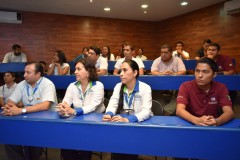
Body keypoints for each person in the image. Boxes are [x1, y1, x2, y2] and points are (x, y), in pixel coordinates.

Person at [1, 62, 57, 160]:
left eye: (28, 72)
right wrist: (9, 108)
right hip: (26, 119)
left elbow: (45, 106)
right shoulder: (22, 84)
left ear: (38, 74)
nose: (24, 75)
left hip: (44, 122)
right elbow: (11, 101)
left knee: (33, 141)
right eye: (24, 72)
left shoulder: (48, 84)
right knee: (9, 136)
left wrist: (21, 110)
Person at [103, 59, 152, 160]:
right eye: (120, 71)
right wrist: (109, 113)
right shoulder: (118, 86)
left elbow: (146, 111)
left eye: (125, 70)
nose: (121, 74)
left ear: (135, 73)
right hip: (121, 125)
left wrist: (129, 119)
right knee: (117, 149)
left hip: (138, 126)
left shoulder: (145, 88)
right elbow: (113, 103)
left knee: (129, 150)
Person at [57, 58, 105, 160]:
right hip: (76, 120)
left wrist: (74, 111)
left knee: (85, 141)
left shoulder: (98, 86)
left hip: (93, 122)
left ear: (88, 71)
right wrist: (62, 107)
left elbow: (93, 106)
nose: (75, 72)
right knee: (65, 141)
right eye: (75, 69)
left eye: (79, 69)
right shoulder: (72, 85)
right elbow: (66, 102)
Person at [176, 57, 234, 126]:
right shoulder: (185, 86)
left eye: (205, 72)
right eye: (197, 71)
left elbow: (229, 112)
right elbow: (179, 110)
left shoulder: (221, 88)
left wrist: (217, 121)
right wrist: (196, 120)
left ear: (214, 74)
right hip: (190, 123)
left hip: (212, 125)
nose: (200, 75)